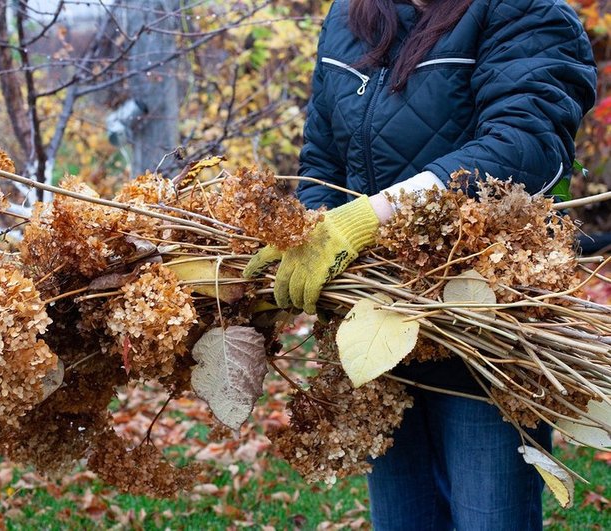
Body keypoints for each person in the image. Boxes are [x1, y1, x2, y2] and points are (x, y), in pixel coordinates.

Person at [245, 0, 597, 529]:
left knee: (489, 516)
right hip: (373, 317)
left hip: (483, 321)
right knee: (402, 517)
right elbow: (321, 157)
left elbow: (524, 147)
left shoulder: (526, 11)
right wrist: (312, 234)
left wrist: (369, 218)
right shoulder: (350, 17)